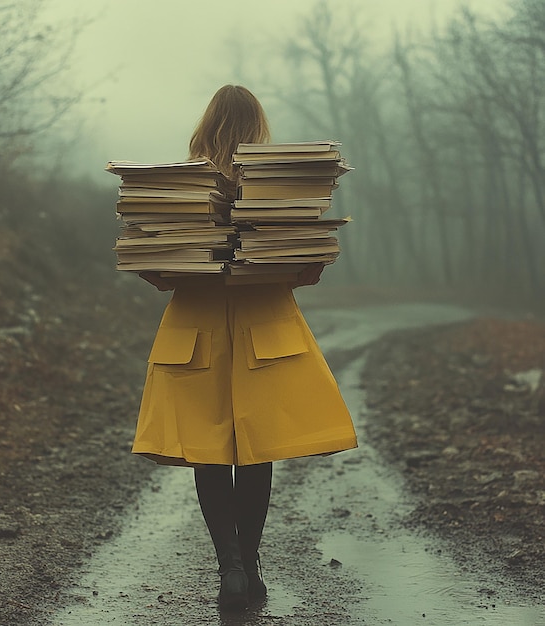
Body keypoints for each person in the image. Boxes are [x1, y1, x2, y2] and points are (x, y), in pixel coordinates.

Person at [133, 85, 357, 611]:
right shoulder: (283, 188)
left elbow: (155, 272)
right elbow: (308, 270)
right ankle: (251, 565)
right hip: (266, 326)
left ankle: (229, 567)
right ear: (259, 127)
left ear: (206, 123)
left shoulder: (175, 190)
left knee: (209, 450)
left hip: (196, 328)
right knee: (256, 450)